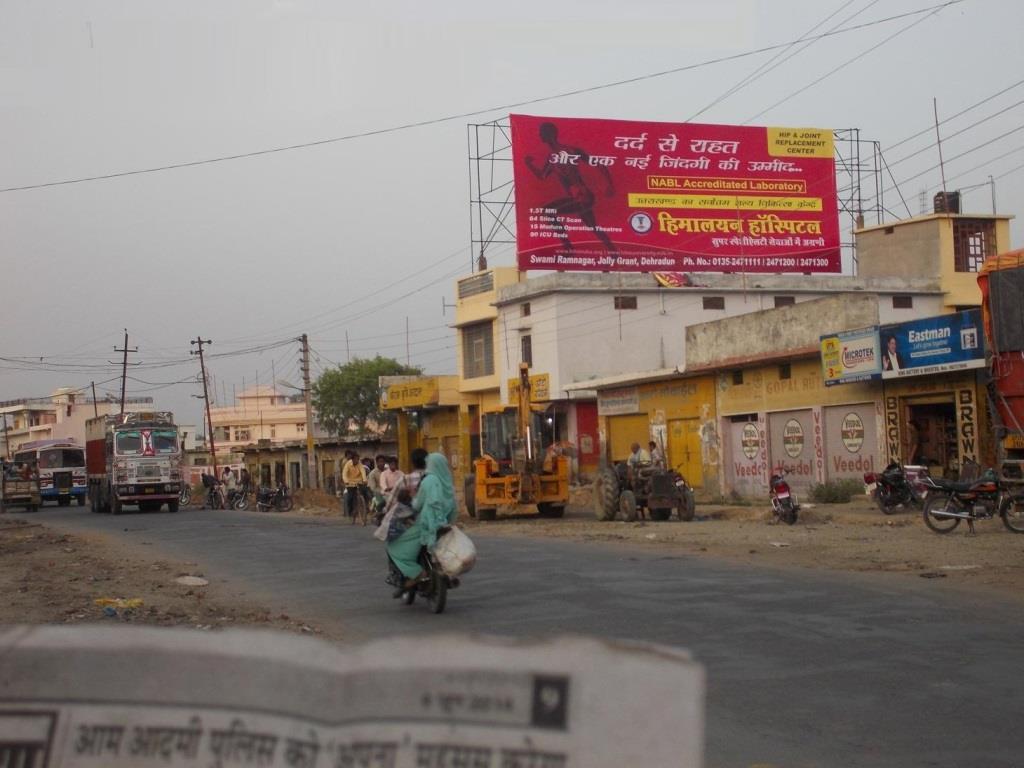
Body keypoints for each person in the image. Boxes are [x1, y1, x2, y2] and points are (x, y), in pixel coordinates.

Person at [524, 121, 617, 255]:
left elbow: (600, 164)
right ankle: (613, 253)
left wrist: (609, 185)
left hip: (583, 196)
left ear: (549, 134)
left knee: (548, 211)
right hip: (576, 197)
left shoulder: (571, 151)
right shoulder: (553, 157)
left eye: (541, 133)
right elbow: (543, 176)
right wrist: (529, 164)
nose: (539, 135)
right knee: (593, 226)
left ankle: (568, 249)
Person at [387, 452, 458, 593]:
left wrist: (410, 499)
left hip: (426, 525)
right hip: (446, 524)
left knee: (393, 547)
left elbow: (417, 505)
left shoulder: (428, 481)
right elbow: (454, 509)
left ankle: (416, 574)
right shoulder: (449, 484)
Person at [341, 451, 368, 520]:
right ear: (352, 459)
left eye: (358, 459)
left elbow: (363, 472)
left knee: (365, 492)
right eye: (355, 459)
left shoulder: (360, 464)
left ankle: (365, 507)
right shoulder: (348, 464)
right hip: (350, 483)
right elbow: (344, 474)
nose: (357, 461)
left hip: (359, 481)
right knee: (350, 498)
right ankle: (350, 512)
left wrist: (364, 480)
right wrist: (346, 481)